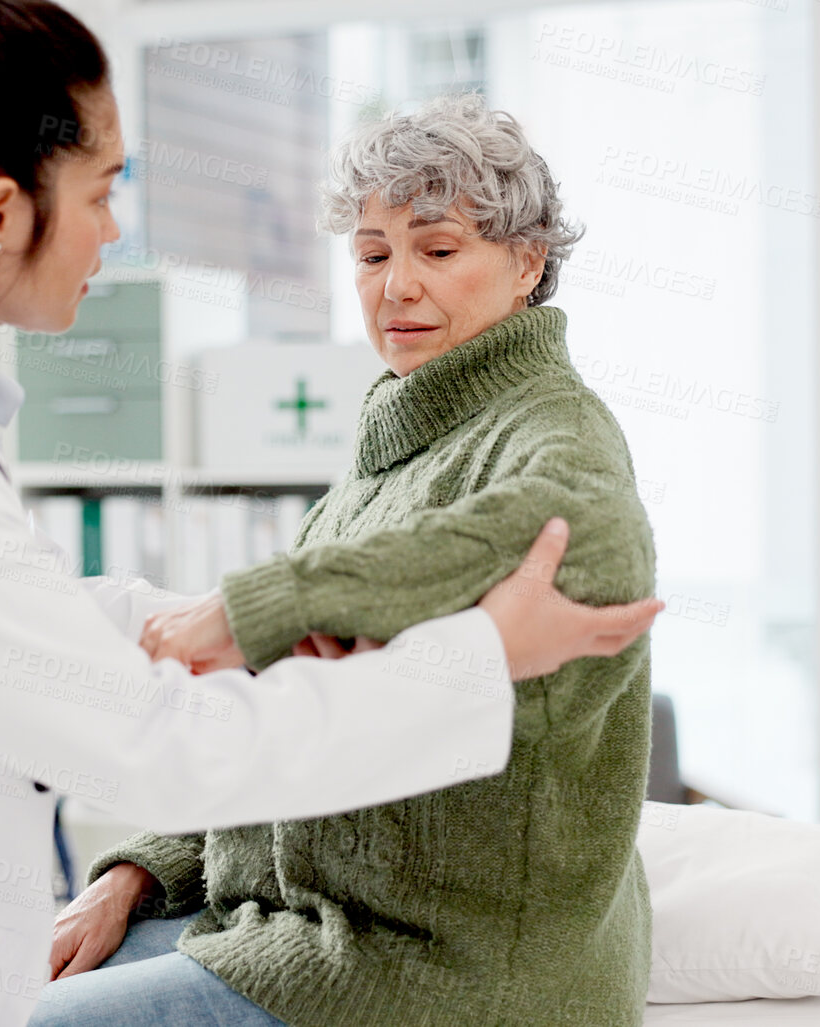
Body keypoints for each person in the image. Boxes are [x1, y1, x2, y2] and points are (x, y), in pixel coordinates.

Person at [0, 5, 662, 1025]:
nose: (114, 228)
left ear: (525, 264)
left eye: (438, 251)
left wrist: (225, 623)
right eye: (100, 190)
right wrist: (470, 658)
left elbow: (7, 623)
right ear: (2, 214)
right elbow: (144, 742)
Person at [37, 96, 660, 1027]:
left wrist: (257, 604)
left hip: (448, 965)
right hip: (300, 920)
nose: (396, 286)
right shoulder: (393, 443)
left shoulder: (556, 433)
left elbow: (577, 530)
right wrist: (137, 870)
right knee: (6, 979)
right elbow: (290, 713)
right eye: (372, 255)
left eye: (437, 250)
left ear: (527, 262)